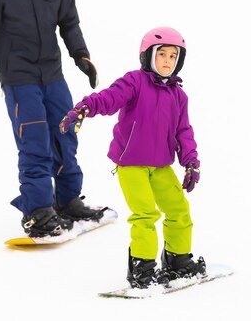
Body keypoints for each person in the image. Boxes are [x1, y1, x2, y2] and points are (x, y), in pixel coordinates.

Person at [60, 27, 206, 288]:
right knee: (145, 215)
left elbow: (184, 131)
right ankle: (143, 268)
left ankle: (177, 261)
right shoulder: (135, 82)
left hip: (161, 166)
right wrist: (85, 107)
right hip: (131, 165)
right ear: (147, 56)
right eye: (162, 54)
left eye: (173, 56)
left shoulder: (179, 96)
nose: (167, 61)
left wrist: (191, 161)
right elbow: (110, 98)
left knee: (179, 210)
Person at [0, 0, 104, 237]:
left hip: (53, 74)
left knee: (66, 134)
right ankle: (38, 211)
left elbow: (69, 21)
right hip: (19, 78)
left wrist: (80, 55)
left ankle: (67, 200)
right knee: (35, 143)